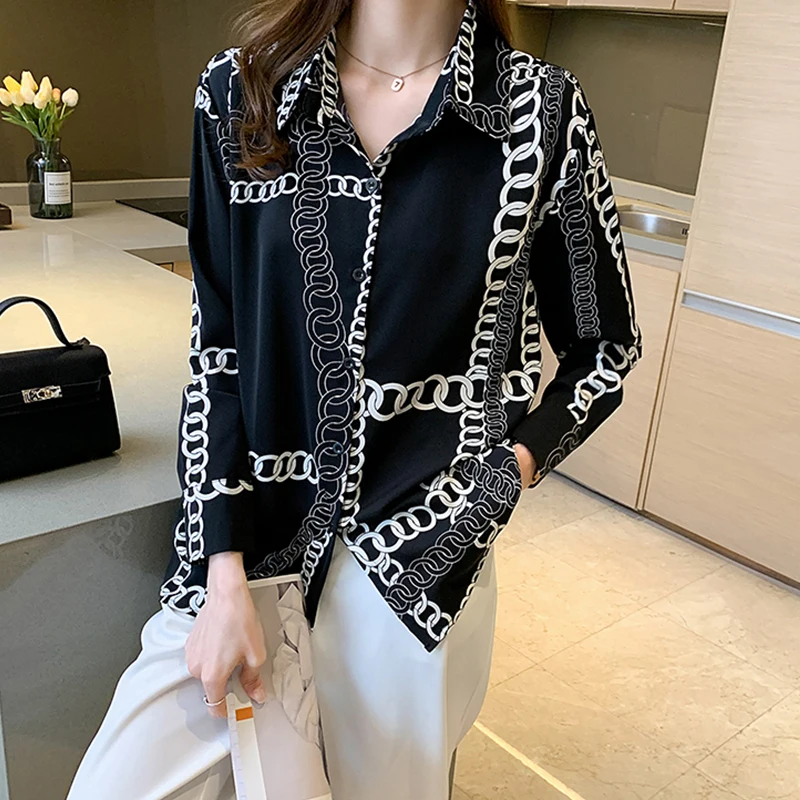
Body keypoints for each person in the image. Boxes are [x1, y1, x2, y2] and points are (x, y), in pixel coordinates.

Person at [66, 0, 641, 798]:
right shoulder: (241, 93)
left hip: (417, 563)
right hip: (252, 546)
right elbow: (218, 352)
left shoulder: (540, 114)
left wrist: (509, 470)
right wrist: (221, 569)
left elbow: (605, 344)